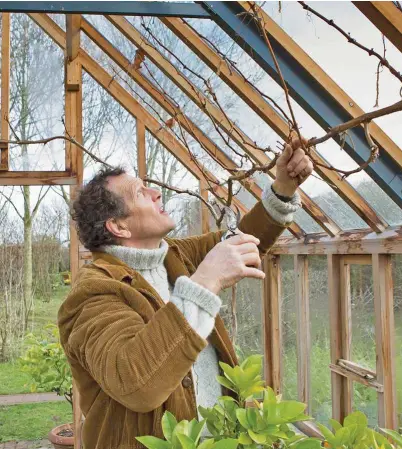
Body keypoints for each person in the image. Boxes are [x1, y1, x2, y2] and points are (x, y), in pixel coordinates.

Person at [58, 136, 313, 449]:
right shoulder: (93, 295)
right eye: (141, 192)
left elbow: (245, 241)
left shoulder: (175, 256)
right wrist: (206, 281)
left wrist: (283, 187)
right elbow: (136, 381)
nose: (156, 192)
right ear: (119, 226)